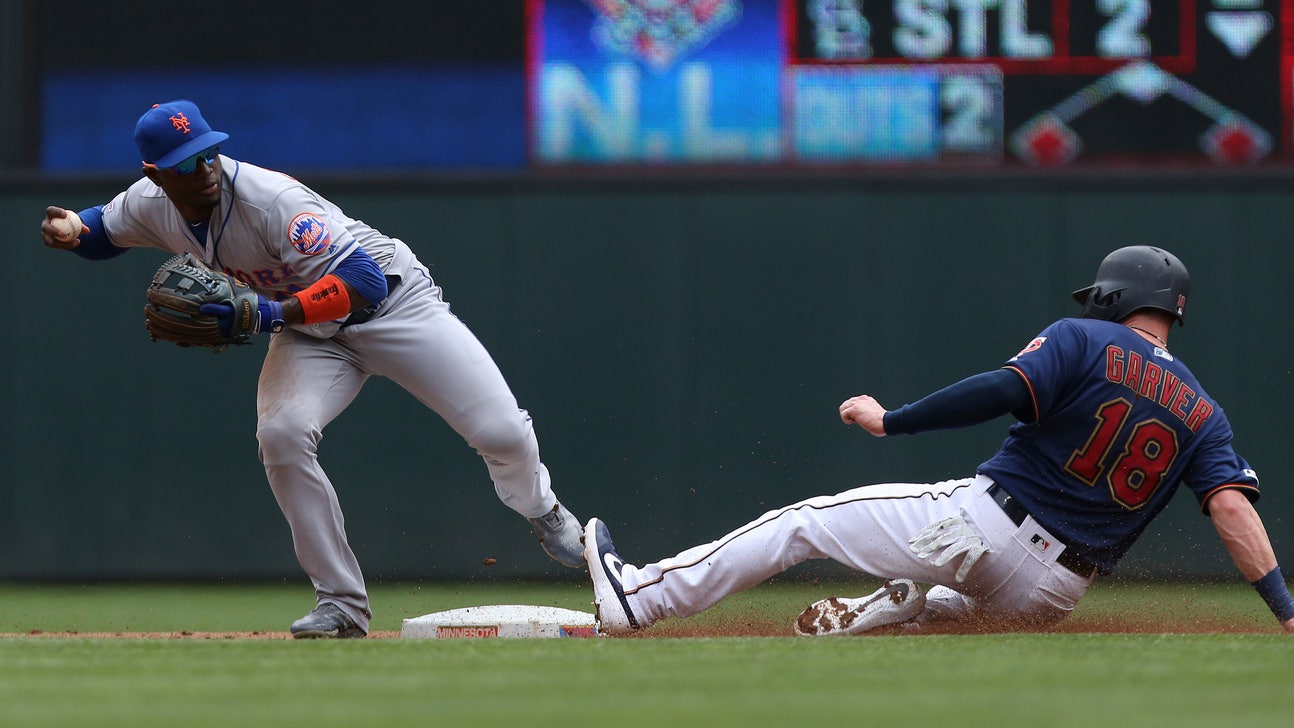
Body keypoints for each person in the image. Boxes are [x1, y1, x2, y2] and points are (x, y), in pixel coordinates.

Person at [40, 100, 585, 639]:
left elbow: (364, 282)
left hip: (395, 307)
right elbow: (101, 233)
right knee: (281, 434)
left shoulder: (269, 199)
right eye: (185, 163)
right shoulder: (149, 203)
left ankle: (544, 509)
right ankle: (342, 604)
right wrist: (72, 233)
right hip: (311, 334)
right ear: (154, 175)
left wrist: (270, 314)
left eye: (208, 154)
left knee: (502, 432)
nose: (203, 170)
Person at [584, 245, 1294, 636]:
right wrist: (1286, 611)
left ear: (1114, 295)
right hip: (1056, 592)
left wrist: (894, 420)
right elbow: (1233, 512)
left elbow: (1002, 389)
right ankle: (912, 603)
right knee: (958, 621)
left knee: (801, 523)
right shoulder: (1205, 413)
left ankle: (638, 599)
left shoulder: (1086, 338)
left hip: (985, 526)